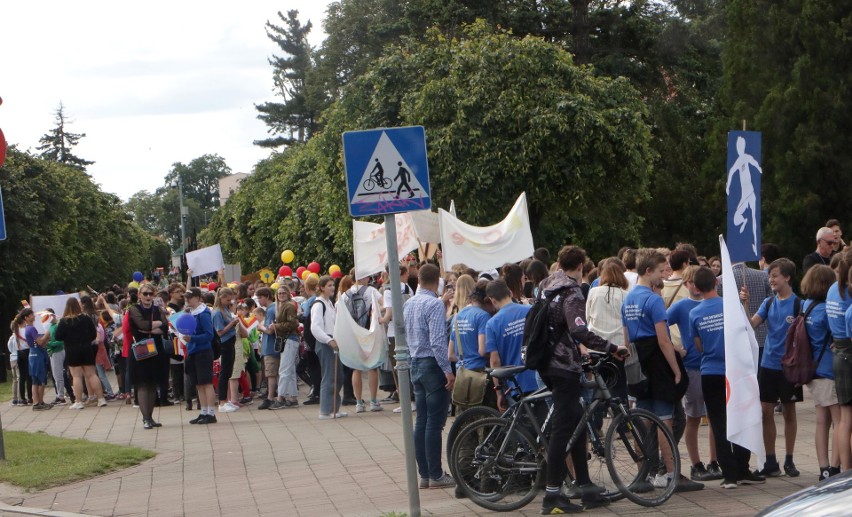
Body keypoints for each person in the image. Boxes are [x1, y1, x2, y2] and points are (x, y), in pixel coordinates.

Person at [536, 245, 629, 513]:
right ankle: (552, 496)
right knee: (562, 430)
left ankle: (585, 486)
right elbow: (578, 329)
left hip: (548, 362)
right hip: (562, 365)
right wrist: (612, 347)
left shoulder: (547, 284)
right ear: (580, 267)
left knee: (577, 419)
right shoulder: (571, 290)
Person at [622, 248, 701, 492]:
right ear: (648, 271)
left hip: (636, 361)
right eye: (659, 271)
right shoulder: (653, 299)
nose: (662, 276)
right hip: (656, 361)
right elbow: (664, 339)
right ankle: (671, 474)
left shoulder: (628, 298)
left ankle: (642, 476)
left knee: (643, 420)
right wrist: (676, 369)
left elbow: (625, 338)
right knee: (665, 420)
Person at [690, 266, 765, 488]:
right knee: (740, 416)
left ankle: (729, 474)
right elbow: (746, 331)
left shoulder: (694, 313)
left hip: (710, 372)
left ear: (695, 287)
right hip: (735, 371)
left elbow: (698, 345)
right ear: (716, 282)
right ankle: (743, 468)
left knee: (719, 422)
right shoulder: (731, 307)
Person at [743, 258, 801, 477]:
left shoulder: (799, 305)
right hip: (767, 364)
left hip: (789, 366)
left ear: (787, 277)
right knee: (766, 412)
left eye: (775, 275)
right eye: (769, 276)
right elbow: (751, 324)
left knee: (789, 411)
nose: (771, 279)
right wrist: (745, 303)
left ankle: (789, 459)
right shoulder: (768, 303)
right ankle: (770, 461)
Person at [667, 266, 722, 481]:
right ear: (686, 284)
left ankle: (714, 460)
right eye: (689, 282)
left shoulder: (715, 303)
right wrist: (675, 348)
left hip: (713, 366)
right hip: (692, 367)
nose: (694, 286)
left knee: (714, 417)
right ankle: (696, 463)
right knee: (694, 417)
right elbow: (660, 326)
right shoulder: (682, 306)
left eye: (695, 282)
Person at [404, 263, 455, 489]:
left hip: (415, 362)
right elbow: (437, 341)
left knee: (421, 421)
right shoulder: (433, 304)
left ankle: (425, 474)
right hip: (432, 365)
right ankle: (436, 474)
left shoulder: (409, 303)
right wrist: (447, 370)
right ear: (437, 282)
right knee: (434, 423)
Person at [798, 265, 841, 481]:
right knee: (839, 421)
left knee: (821, 421)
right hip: (828, 370)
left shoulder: (805, 305)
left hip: (812, 369)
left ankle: (823, 468)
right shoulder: (826, 309)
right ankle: (835, 467)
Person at [484, 279, 536, 410]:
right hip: (538, 377)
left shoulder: (492, 324)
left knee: (522, 427)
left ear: (492, 300)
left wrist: (499, 392)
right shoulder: (530, 310)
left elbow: (495, 361)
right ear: (510, 293)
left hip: (515, 384)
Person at [340, 274, 384, 413]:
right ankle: (373, 401)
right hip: (369, 331)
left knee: (356, 367)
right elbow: (384, 304)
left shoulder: (345, 294)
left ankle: (359, 403)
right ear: (363, 277)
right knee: (372, 366)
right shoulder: (371, 291)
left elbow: (340, 313)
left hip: (354, 333)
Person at [127, 284, 170, 428]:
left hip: (156, 349)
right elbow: (141, 325)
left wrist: (150, 327)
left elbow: (165, 327)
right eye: (145, 294)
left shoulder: (157, 309)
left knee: (153, 384)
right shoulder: (134, 309)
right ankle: (146, 418)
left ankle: (150, 417)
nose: (148, 296)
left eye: (150, 294)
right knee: (143, 384)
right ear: (139, 295)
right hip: (142, 349)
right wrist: (152, 326)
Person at [447, 277, 493, 409]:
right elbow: (482, 350)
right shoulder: (483, 316)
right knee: (484, 419)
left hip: (462, 374)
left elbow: (450, 355)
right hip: (480, 375)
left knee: (466, 421)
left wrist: (466, 357)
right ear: (487, 299)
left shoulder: (457, 316)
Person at [55, 298, 105, 410]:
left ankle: (78, 401)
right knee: (92, 374)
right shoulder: (86, 318)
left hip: (72, 350)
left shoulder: (64, 321)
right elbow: (93, 334)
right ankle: (101, 398)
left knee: (76, 376)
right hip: (86, 348)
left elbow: (58, 336)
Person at [311, 276, 346, 419]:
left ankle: (334, 408)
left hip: (333, 342)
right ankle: (325, 410)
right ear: (322, 288)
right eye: (329, 285)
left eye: (333, 285)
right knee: (329, 376)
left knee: (337, 376)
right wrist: (328, 339)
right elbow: (315, 327)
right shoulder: (319, 304)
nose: (332, 287)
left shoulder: (329, 303)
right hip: (326, 344)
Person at [181, 287, 217, 424]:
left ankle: (211, 413)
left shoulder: (204, 313)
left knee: (206, 383)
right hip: (192, 351)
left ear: (198, 298)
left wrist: (193, 339)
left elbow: (209, 335)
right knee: (198, 384)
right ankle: (203, 411)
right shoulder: (190, 312)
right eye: (186, 298)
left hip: (203, 351)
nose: (188, 300)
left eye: (190, 297)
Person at [212, 287, 244, 413]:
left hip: (231, 341)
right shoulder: (217, 312)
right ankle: (222, 401)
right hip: (224, 343)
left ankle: (227, 400)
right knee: (224, 372)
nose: (230, 302)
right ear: (221, 298)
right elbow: (219, 332)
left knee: (229, 371)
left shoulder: (225, 309)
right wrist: (232, 323)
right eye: (228, 299)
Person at [269, 287, 301, 410]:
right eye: (279, 293)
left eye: (283, 293)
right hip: (288, 339)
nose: (281, 295)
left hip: (290, 339)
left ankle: (280, 398)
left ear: (288, 294)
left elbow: (293, 323)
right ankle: (293, 397)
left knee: (284, 370)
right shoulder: (282, 306)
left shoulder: (289, 306)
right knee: (290, 370)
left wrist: (276, 326)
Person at [256, 287, 279, 410]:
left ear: (267, 297)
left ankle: (270, 397)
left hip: (270, 346)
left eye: (260, 297)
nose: (259, 300)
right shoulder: (273, 308)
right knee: (274, 373)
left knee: (270, 373)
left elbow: (270, 330)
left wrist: (261, 327)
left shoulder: (270, 310)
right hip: (272, 346)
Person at [24, 311, 52, 410]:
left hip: (33, 354)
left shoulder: (27, 328)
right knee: (41, 379)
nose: (33, 316)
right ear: (26, 317)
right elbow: (40, 342)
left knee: (35, 380)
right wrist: (47, 333)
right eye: (31, 315)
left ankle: (36, 403)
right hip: (37, 355)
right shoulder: (31, 328)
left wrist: (45, 339)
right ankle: (39, 402)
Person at [11, 309, 33, 405]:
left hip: (19, 353)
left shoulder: (15, 332)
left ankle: (22, 398)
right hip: (27, 352)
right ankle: (30, 397)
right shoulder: (26, 330)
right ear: (23, 320)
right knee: (29, 376)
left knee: (22, 377)